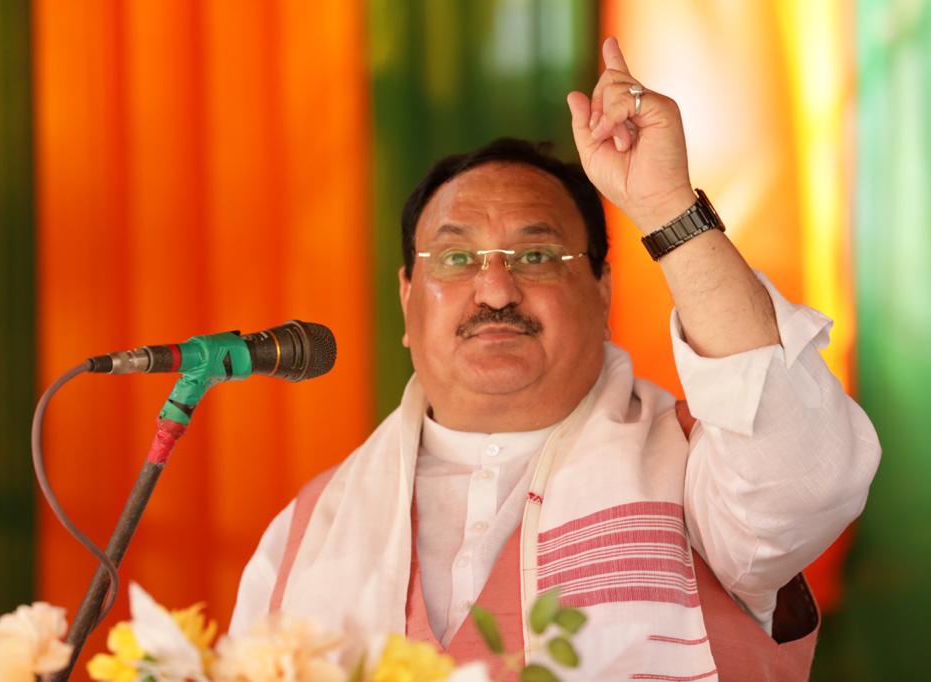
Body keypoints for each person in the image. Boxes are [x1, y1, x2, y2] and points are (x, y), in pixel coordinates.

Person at [229, 38, 880, 680]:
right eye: (455, 259)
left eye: (536, 256)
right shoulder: (314, 524)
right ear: (407, 300)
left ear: (603, 292)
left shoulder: (695, 470)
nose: (494, 290)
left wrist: (665, 207)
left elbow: (807, 474)